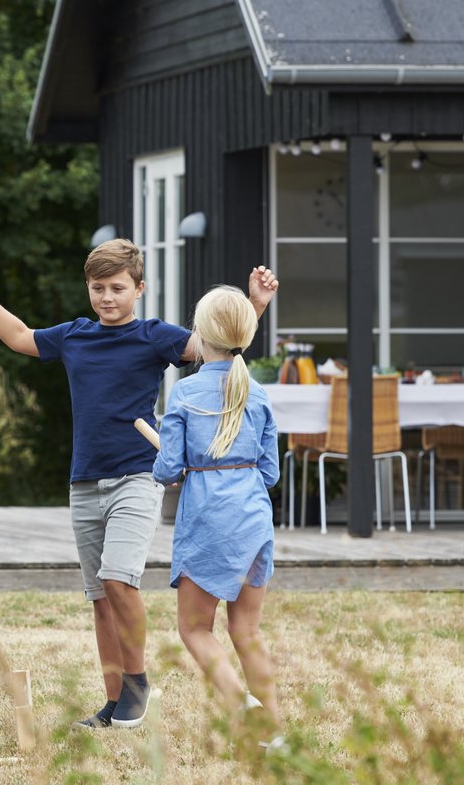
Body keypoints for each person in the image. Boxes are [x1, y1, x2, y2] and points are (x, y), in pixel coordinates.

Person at [0, 239, 277, 731]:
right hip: (84, 479)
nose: (107, 297)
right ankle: (116, 703)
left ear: (139, 289)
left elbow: (217, 344)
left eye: (118, 288)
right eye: (98, 288)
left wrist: (252, 306)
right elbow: (20, 336)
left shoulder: (154, 337)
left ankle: (137, 681)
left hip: (138, 475)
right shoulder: (75, 336)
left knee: (118, 578)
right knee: (100, 596)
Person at [152, 285, 282, 750]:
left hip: (209, 520)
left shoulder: (185, 393)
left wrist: (174, 470)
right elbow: (270, 472)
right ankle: (275, 733)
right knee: (246, 630)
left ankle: (246, 710)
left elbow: (167, 469)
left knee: (194, 629)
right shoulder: (260, 394)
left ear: (200, 335)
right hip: (253, 519)